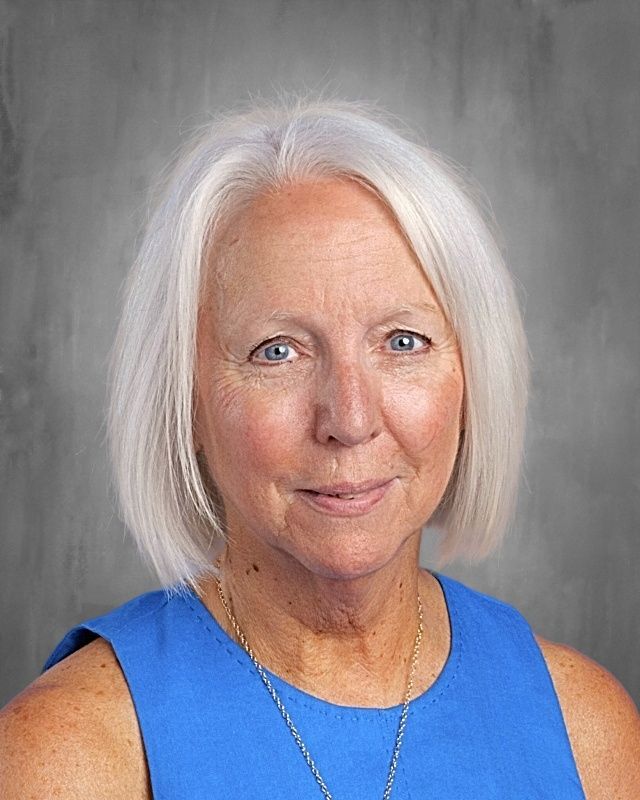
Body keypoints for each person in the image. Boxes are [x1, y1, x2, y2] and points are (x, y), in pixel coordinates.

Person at [1, 96, 639, 799]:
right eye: (278, 351)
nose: (350, 418)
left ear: (471, 379)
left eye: (402, 342)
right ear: (184, 401)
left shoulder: (589, 732)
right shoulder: (62, 760)